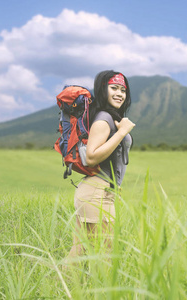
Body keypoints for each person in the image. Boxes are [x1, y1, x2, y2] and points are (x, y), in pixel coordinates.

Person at [66, 70, 135, 260]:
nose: (119, 94)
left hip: (99, 191)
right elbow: (91, 157)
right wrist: (122, 133)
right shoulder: (104, 119)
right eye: (114, 88)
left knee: (79, 250)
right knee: (107, 251)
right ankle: (103, 289)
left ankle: (58, 287)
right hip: (97, 192)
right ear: (102, 90)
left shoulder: (109, 118)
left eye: (123, 90)